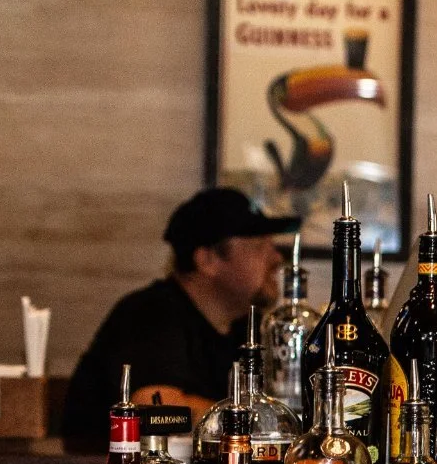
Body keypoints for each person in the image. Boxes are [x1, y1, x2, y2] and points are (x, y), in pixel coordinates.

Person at [62, 187, 292, 447]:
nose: (276, 258)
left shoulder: (249, 328)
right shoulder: (150, 314)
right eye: (260, 246)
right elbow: (156, 410)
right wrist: (264, 421)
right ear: (207, 260)